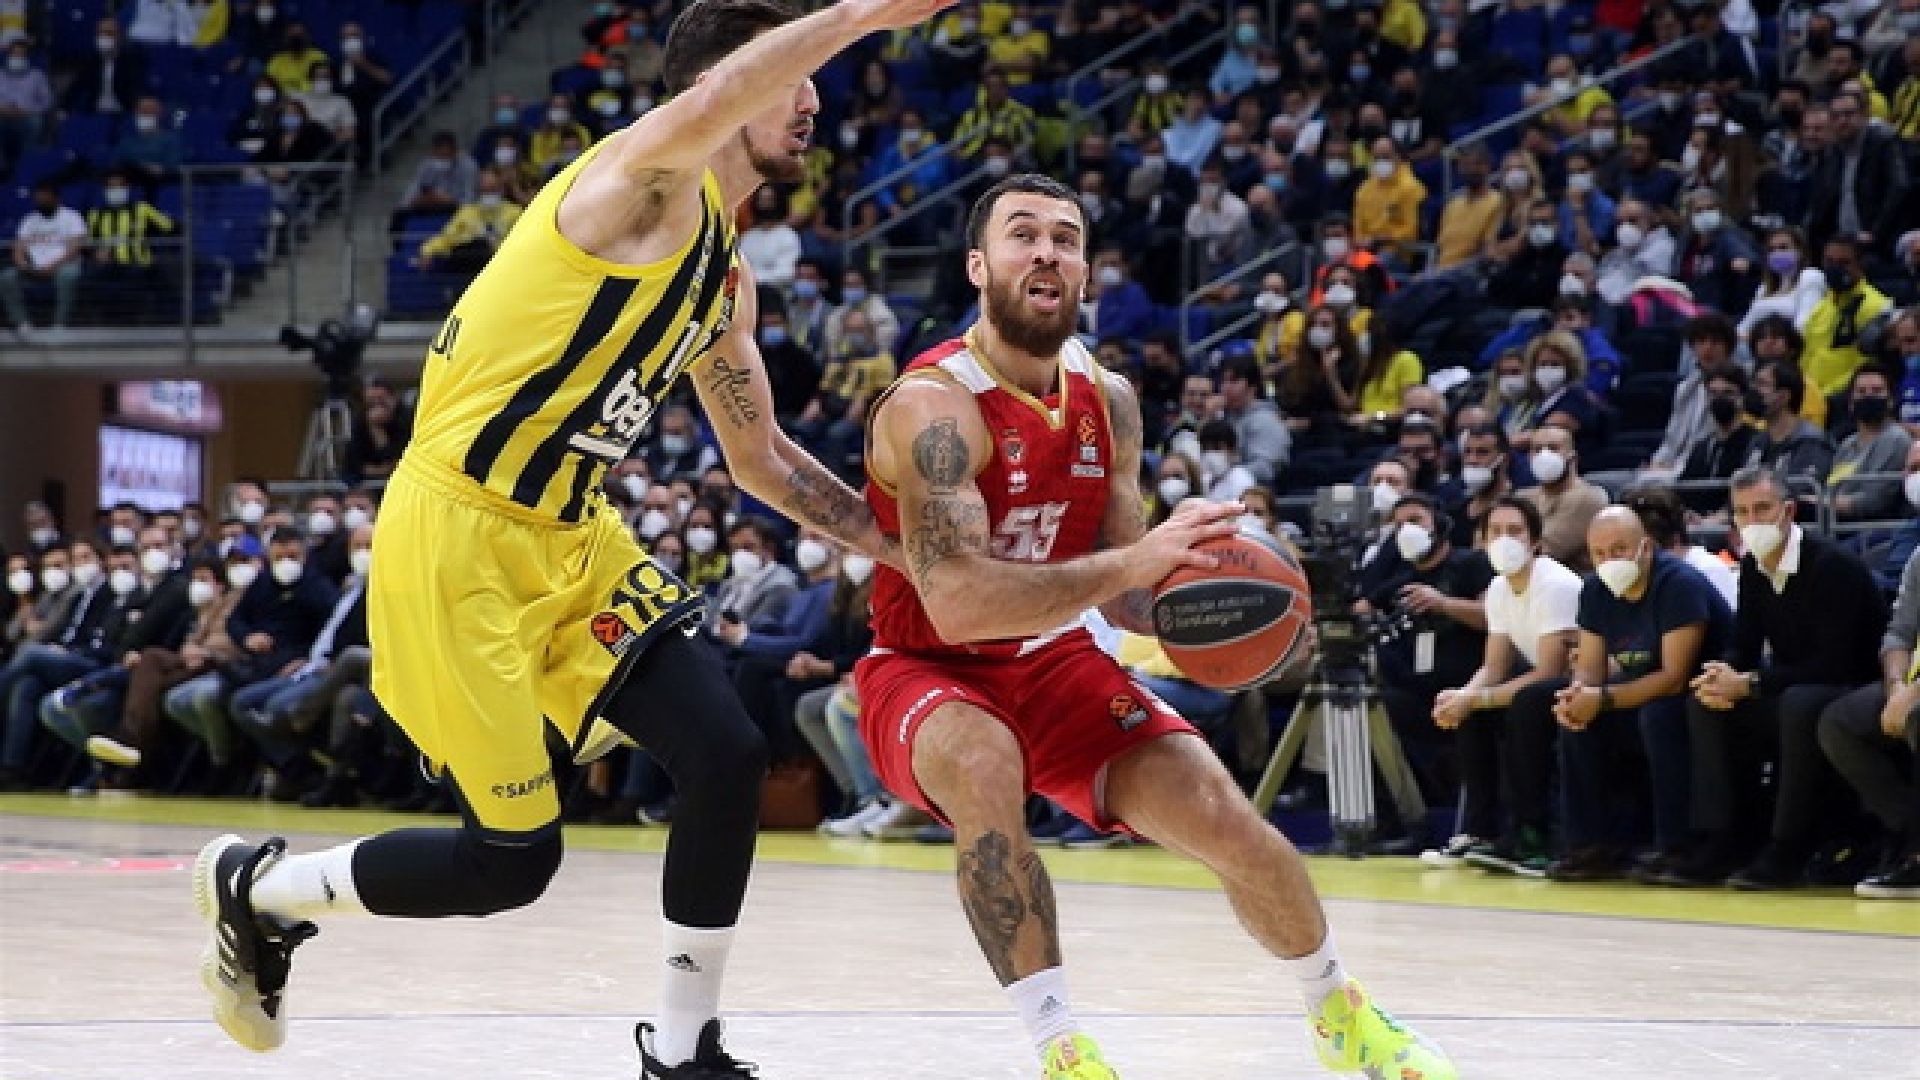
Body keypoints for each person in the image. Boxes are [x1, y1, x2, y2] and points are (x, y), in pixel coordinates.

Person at [190, 4, 936, 1078]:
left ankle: (683, 1048)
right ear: (724, 85)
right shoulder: (634, 184)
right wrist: (863, 14)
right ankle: (262, 891)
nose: (815, 98)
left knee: (726, 752)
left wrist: (912, 551)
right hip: (457, 533)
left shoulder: (725, 276)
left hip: (575, 534)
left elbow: (762, 461)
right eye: (794, 75)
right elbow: (720, 96)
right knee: (511, 862)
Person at [856, 173, 1456, 1080]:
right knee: (984, 763)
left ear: (1085, 270)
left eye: (1066, 238)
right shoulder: (933, 405)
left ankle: (1340, 1010)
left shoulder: (1110, 401)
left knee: (1225, 817)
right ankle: (1062, 1047)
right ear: (979, 266)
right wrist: (1135, 565)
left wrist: (1209, 588)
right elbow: (959, 602)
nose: (1046, 251)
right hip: (925, 666)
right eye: (1023, 234)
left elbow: (1126, 597)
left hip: (1053, 659)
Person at [1673, 468, 1887, 890]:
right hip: (1793, 683)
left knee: (1798, 704)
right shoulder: (1754, 566)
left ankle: (1788, 845)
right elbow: (1743, 644)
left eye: (1762, 509)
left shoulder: (1833, 566)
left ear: (1788, 511)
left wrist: (1750, 683)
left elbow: (1835, 664)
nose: (1751, 521)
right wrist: (1722, 673)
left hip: (1852, 685)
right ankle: (1723, 838)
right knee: (1706, 704)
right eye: (1742, 512)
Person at [1537, 507, 1733, 881]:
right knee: (1577, 720)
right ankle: (1590, 846)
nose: (1610, 560)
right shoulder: (1595, 590)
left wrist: (1601, 699)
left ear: (1645, 547)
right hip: (1646, 693)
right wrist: (1578, 696)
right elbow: (1590, 668)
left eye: (1620, 549)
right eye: (1600, 553)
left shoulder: (1678, 584)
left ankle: (1678, 847)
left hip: (1703, 695)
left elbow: (1674, 677)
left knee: (1658, 715)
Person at [1429, 494, 1581, 874]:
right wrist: (1464, 697)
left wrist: (1477, 699)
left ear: (1536, 542)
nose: (1504, 539)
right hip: (1539, 685)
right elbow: (1494, 666)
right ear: (1481, 541)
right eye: (1495, 531)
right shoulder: (1497, 588)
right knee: (1470, 707)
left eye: (1514, 531)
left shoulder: (1556, 584)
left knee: (1527, 702)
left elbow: (1550, 672)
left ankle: (1534, 837)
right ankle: (1479, 832)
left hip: (1579, 683)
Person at [1820, 548, 1920, 901]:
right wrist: (1896, 688)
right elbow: (1899, 634)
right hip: (1911, 683)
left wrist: (1913, 695)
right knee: (1840, 723)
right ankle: (1907, 832)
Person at [1517, 423, 1606, 574]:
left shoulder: (1587, 498)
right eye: (1537, 449)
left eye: (1553, 448)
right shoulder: (1522, 496)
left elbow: (1544, 551)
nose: (1544, 455)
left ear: (1573, 457)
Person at [1831, 365, 1912, 521]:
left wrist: (1820, 502)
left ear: (1890, 401)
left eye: (1877, 391)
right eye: (1861, 392)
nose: (1868, 396)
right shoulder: (1847, 444)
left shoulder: (1896, 439)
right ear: (1851, 403)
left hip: (1874, 528)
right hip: (1837, 524)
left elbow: (1873, 501)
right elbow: (1831, 489)